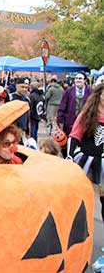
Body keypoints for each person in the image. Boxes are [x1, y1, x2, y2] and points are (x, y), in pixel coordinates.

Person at [67, 83, 104, 227]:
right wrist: (70, 156)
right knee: (80, 199)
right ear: (98, 96)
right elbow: (74, 136)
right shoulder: (87, 115)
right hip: (85, 161)